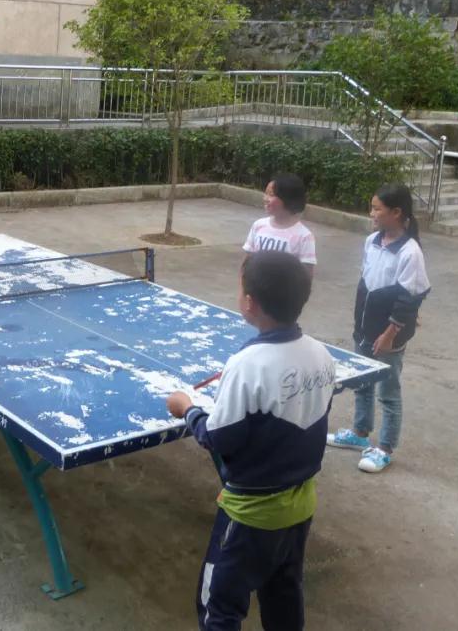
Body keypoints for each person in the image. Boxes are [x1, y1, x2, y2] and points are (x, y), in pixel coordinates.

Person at [166, 251, 336, 631]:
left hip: (251, 514)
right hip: (300, 505)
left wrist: (187, 409)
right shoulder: (321, 354)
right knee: (283, 594)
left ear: (249, 302)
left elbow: (219, 438)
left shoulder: (248, 364)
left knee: (219, 607)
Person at [327, 182, 431, 474]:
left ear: (396, 213)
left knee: (388, 392)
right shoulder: (372, 241)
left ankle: (385, 448)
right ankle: (360, 433)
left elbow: (409, 298)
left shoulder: (410, 252)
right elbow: (366, 283)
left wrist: (389, 334)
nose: (371, 213)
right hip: (364, 328)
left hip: (388, 337)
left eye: (376, 209)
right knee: (363, 382)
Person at [242, 173, 316, 277]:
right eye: (265, 193)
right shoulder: (259, 226)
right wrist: (243, 286)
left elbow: (306, 275)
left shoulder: (304, 236)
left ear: (288, 199)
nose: (265, 198)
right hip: (256, 286)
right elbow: (247, 262)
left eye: (271, 195)